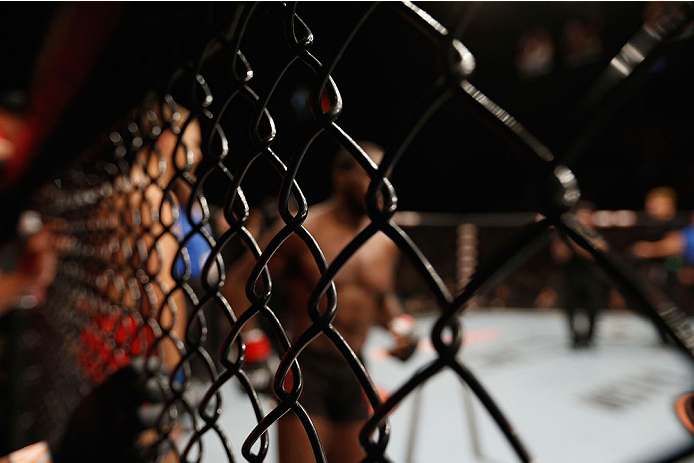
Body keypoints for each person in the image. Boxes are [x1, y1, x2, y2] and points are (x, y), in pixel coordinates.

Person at [222, 141, 418, 463]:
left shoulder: (385, 242)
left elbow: (381, 299)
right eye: (372, 174)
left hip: (354, 369)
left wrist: (401, 328)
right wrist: (253, 346)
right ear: (341, 178)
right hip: (306, 368)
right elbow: (238, 284)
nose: (382, 184)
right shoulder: (304, 230)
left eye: (387, 175)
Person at [551, 201, 610, 348]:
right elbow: (560, 256)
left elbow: (597, 252)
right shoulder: (564, 235)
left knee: (593, 307)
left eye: (586, 217)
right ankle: (574, 338)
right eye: (580, 217)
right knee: (570, 306)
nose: (583, 221)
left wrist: (575, 240)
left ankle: (590, 337)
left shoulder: (598, 234)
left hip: (592, 277)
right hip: (571, 275)